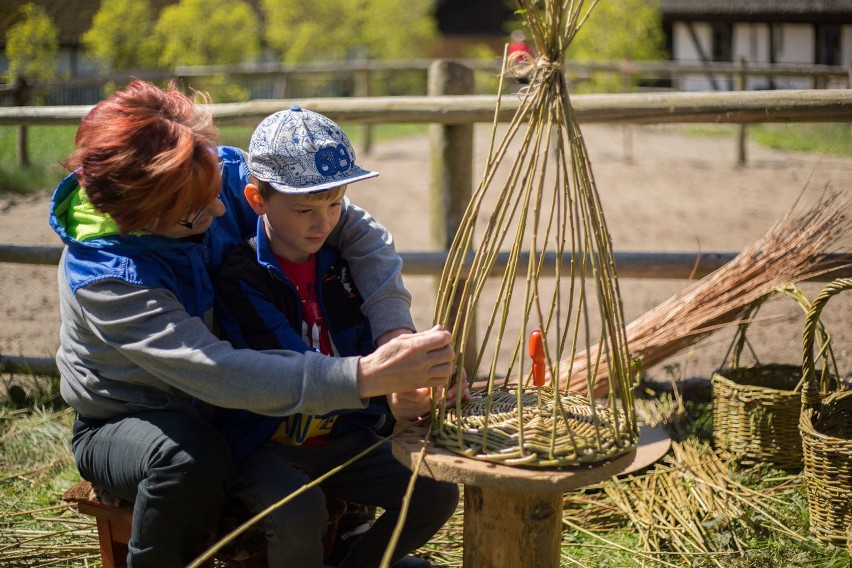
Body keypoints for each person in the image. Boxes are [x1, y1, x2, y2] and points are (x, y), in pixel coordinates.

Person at [49, 80, 456, 568]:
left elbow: (356, 228)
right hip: (131, 416)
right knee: (188, 459)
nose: (221, 209)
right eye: (194, 214)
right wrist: (367, 377)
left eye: (216, 190)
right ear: (139, 215)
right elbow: (218, 371)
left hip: (241, 412)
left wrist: (394, 335)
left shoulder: (207, 173)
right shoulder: (108, 280)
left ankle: (346, 547)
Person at [212, 107, 462, 567]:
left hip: (345, 437)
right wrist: (387, 380)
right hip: (269, 445)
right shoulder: (241, 277)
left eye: (334, 204)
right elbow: (291, 368)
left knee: (436, 491)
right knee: (299, 514)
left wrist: (419, 381)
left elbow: (383, 346)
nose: (322, 223)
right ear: (256, 199)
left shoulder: (345, 262)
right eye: (304, 209)